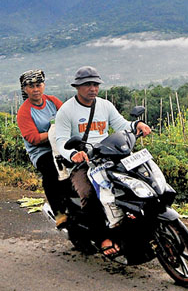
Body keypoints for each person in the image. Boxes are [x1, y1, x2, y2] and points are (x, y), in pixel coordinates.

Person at [51, 65, 152, 257]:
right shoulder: (66, 111)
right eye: (87, 84)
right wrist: (73, 154)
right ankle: (102, 237)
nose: (92, 88)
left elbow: (122, 125)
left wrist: (137, 124)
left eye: (95, 84)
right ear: (77, 87)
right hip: (83, 163)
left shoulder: (105, 105)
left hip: (110, 156)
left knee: (138, 182)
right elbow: (62, 141)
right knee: (89, 194)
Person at [15, 69, 68, 227]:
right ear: (25, 89)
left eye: (39, 85)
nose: (36, 89)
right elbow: (34, 139)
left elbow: (67, 117)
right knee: (51, 172)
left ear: (44, 85)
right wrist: (53, 132)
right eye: (31, 86)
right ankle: (59, 213)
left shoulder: (52, 101)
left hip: (61, 145)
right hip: (42, 151)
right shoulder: (24, 112)